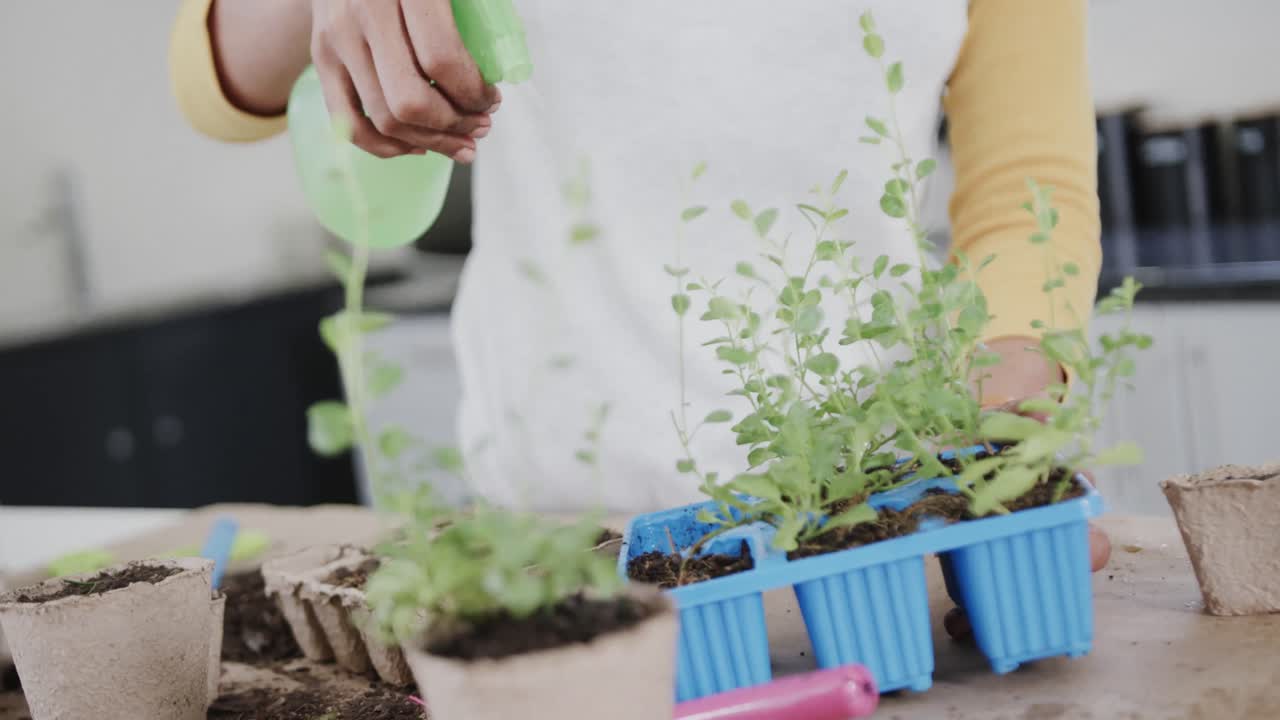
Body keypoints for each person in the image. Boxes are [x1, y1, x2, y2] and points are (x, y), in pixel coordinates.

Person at [170, 1, 1112, 621]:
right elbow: (216, 81)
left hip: (860, 543)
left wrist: (1006, 425)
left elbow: (1027, 186)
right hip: (559, 551)